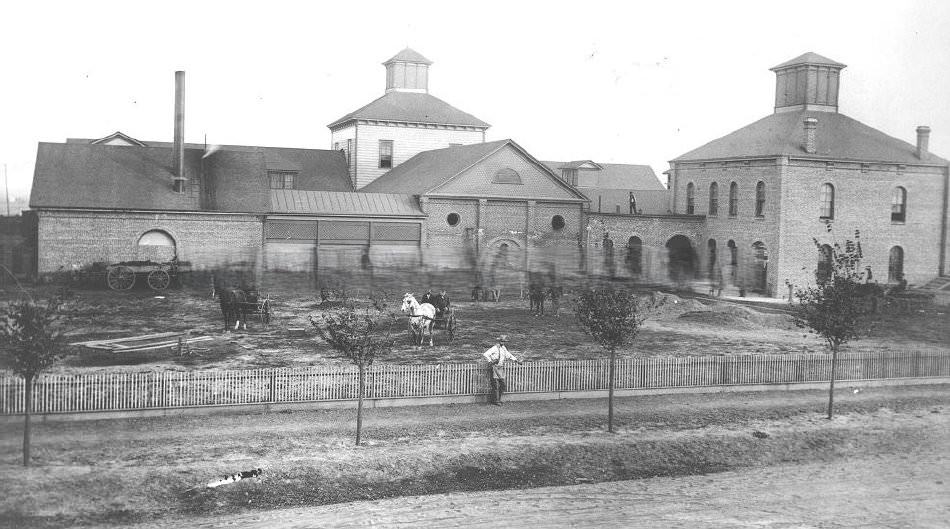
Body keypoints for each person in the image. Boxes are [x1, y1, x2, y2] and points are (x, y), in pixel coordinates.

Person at [482, 335, 521, 405]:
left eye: (504, 341)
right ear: (499, 341)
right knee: (496, 385)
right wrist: (491, 361)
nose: (503, 342)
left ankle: (498, 399)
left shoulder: (503, 348)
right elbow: (485, 354)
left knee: (502, 384)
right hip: (494, 367)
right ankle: (496, 401)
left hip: (500, 368)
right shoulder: (494, 348)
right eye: (502, 341)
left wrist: (516, 360)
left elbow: (508, 355)